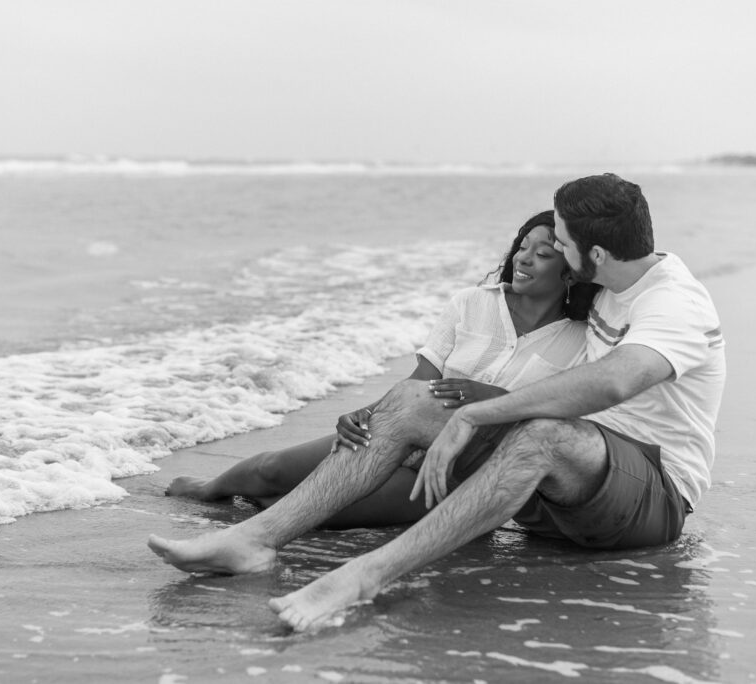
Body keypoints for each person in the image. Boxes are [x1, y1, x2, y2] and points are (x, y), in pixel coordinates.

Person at [148, 173, 726, 632]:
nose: (548, 248)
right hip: (558, 487)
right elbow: (518, 291)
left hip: (648, 493)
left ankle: (363, 577)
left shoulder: (674, 302)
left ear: (594, 256)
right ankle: (253, 541)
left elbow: (618, 381)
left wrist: (476, 412)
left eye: (562, 242)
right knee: (409, 399)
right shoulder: (608, 281)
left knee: (542, 434)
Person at [164, 210, 599, 529]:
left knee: (320, 509)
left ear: (570, 271)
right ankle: (214, 488)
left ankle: (254, 510)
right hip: (398, 436)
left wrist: (494, 399)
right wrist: (366, 415)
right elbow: (419, 383)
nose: (523, 259)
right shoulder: (472, 303)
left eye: (542, 253)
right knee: (272, 470)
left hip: (461, 472)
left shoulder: (583, 338)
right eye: (521, 246)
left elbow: (564, 420)